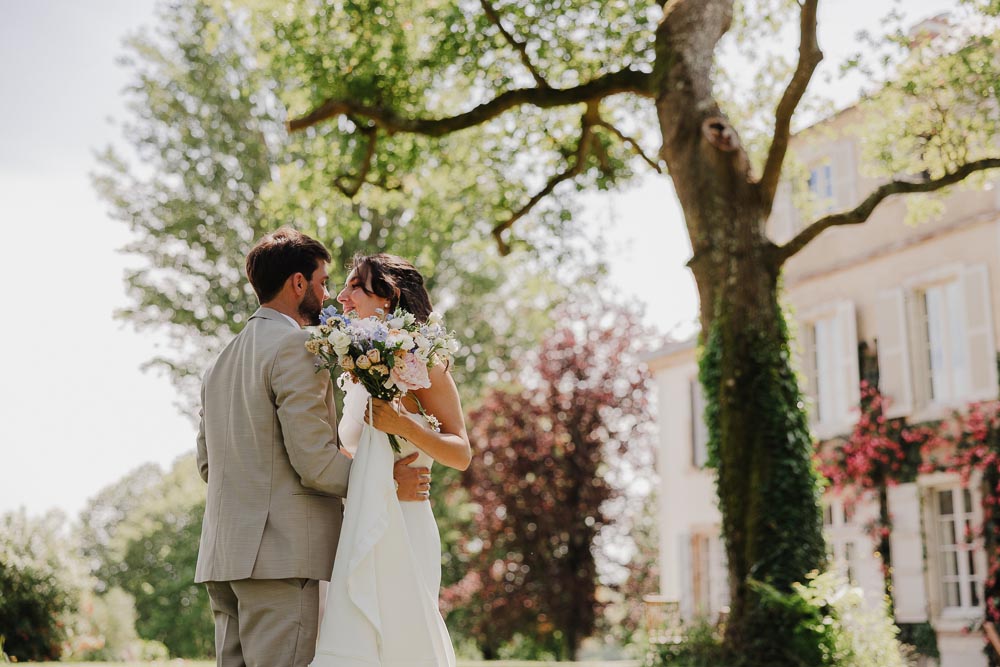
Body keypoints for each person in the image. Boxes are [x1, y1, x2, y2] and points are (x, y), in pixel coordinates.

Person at [194, 229, 429, 667]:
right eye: (322, 283)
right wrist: (383, 482)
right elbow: (314, 462)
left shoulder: (218, 363)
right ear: (297, 283)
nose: (327, 295)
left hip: (223, 557)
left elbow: (208, 465)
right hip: (281, 559)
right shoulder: (297, 346)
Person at [311, 253, 472, 667]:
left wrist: (406, 427)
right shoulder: (356, 364)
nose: (341, 297)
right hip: (360, 518)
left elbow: (461, 452)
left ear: (386, 297)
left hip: (406, 522)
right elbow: (351, 450)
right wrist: (379, 480)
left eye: (353, 287)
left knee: (404, 644)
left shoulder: (426, 364)